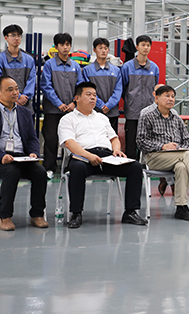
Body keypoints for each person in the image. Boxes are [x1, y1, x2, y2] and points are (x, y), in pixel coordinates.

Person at [58, 82, 148, 229]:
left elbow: (114, 138)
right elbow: (69, 143)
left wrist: (116, 150)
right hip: (82, 156)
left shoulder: (102, 118)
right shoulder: (68, 119)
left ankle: (130, 212)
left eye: (95, 95)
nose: (93, 98)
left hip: (106, 156)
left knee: (135, 167)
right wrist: (89, 156)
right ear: (77, 98)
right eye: (88, 95)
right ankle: (76, 213)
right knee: (77, 168)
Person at [137, 85, 189, 221]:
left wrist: (179, 148)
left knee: (182, 166)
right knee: (185, 155)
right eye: (167, 96)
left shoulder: (175, 116)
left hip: (177, 156)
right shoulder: (147, 114)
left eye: (173, 96)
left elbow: (187, 140)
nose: (171, 99)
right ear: (157, 98)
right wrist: (163, 146)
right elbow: (141, 142)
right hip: (154, 157)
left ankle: (181, 208)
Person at [0, 75, 48, 231]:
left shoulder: (25, 112)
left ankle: (37, 215)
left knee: (40, 172)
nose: (15, 92)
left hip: (21, 156)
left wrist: (33, 153)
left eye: (16, 89)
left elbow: (32, 137)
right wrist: (1, 156)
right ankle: (4, 217)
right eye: (10, 90)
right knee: (12, 172)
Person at [41, 32, 84, 179]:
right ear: (56, 46)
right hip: (53, 110)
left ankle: (70, 167)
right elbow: (46, 86)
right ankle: (49, 168)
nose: (65, 47)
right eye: (62, 45)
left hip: (71, 110)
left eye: (67, 44)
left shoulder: (75, 66)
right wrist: (58, 103)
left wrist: (73, 103)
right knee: (51, 139)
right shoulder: (49, 64)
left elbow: (80, 86)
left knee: (72, 139)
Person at [120, 35, 160, 160]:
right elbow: (123, 88)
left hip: (149, 112)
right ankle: (131, 166)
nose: (146, 48)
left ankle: (146, 165)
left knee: (148, 141)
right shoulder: (127, 67)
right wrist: (131, 100)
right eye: (143, 45)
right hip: (132, 112)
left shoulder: (154, 68)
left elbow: (155, 89)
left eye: (148, 45)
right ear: (137, 47)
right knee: (131, 142)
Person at [81, 37, 123, 132]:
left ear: (108, 50)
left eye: (105, 48)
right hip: (93, 112)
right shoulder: (87, 70)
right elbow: (87, 90)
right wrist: (101, 105)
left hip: (112, 112)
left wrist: (109, 105)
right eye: (100, 48)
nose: (103, 51)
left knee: (112, 138)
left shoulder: (116, 70)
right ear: (94, 50)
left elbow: (118, 90)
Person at [0, 24, 36, 109]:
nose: (16, 38)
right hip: (4, 103)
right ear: (6, 38)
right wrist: (18, 96)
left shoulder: (29, 60)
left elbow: (32, 80)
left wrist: (24, 97)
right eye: (13, 35)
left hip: (24, 103)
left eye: (19, 35)